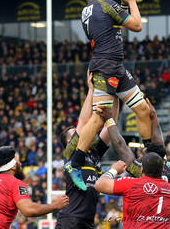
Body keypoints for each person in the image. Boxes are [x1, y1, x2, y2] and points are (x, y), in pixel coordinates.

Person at [67, 0, 152, 190]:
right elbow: (137, 25)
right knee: (99, 117)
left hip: (113, 66)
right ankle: (74, 163)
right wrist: (131, 0)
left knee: (142, 108)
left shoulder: (87, 10)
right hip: (107, 67)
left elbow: (112, 29)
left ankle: (154, 156)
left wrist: (121, 6)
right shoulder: (106, 4)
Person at [0, 146, 69, 229]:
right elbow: (28, 210)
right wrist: (55, 205)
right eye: (19, 161)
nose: (21, 164)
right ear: (14, 166)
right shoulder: (14, 182)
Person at [56, 72, 110, 229]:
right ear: (68, 142)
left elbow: (111, 125)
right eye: (74, 133)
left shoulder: (94, 152)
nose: (81, 132)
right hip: (71, 219)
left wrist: (115, 94)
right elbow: (84, 122)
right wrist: (91, 90)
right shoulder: (70, 152)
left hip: (87, 221)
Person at [96, 98, 170, 184]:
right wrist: (153, 117)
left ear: (149, 160)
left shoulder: (142, 172)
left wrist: (109, 120)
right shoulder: (163, 166)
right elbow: (159, 145)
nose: (139, 158)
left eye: (143, 156)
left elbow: (120, 145)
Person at [95, 153, 170, 228]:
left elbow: (99, 184)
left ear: (141, 169)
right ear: (162, 170)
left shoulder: (131, 184)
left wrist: (114, 170)